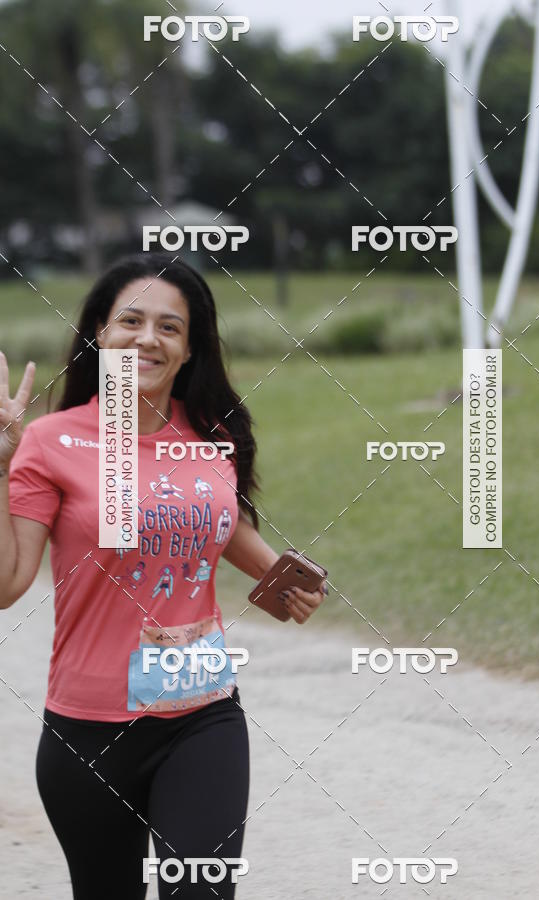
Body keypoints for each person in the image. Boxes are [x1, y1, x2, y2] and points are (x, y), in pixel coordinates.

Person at [0, 253, 327, 900]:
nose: (148, 338)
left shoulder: (211, 437)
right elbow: (8, 583)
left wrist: (278, 574)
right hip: (88, 730)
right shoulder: (48, 441)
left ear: (187, 351)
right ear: (100, 332)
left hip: (201, 714)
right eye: (131, 320)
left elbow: (216, 517)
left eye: (170, 328)